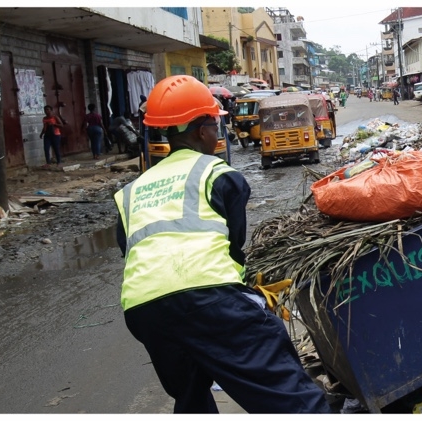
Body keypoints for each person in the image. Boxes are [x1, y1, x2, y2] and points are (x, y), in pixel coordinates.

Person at [113, 75, 330, 414]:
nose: (219, 134)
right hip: (206, 296)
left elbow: (132, 250)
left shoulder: (131, 191)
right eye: (216, 126)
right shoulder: (218, 174)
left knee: (190, 396)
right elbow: (232, 247)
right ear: (202, 130)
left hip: (143, 310)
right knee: (285, 389)